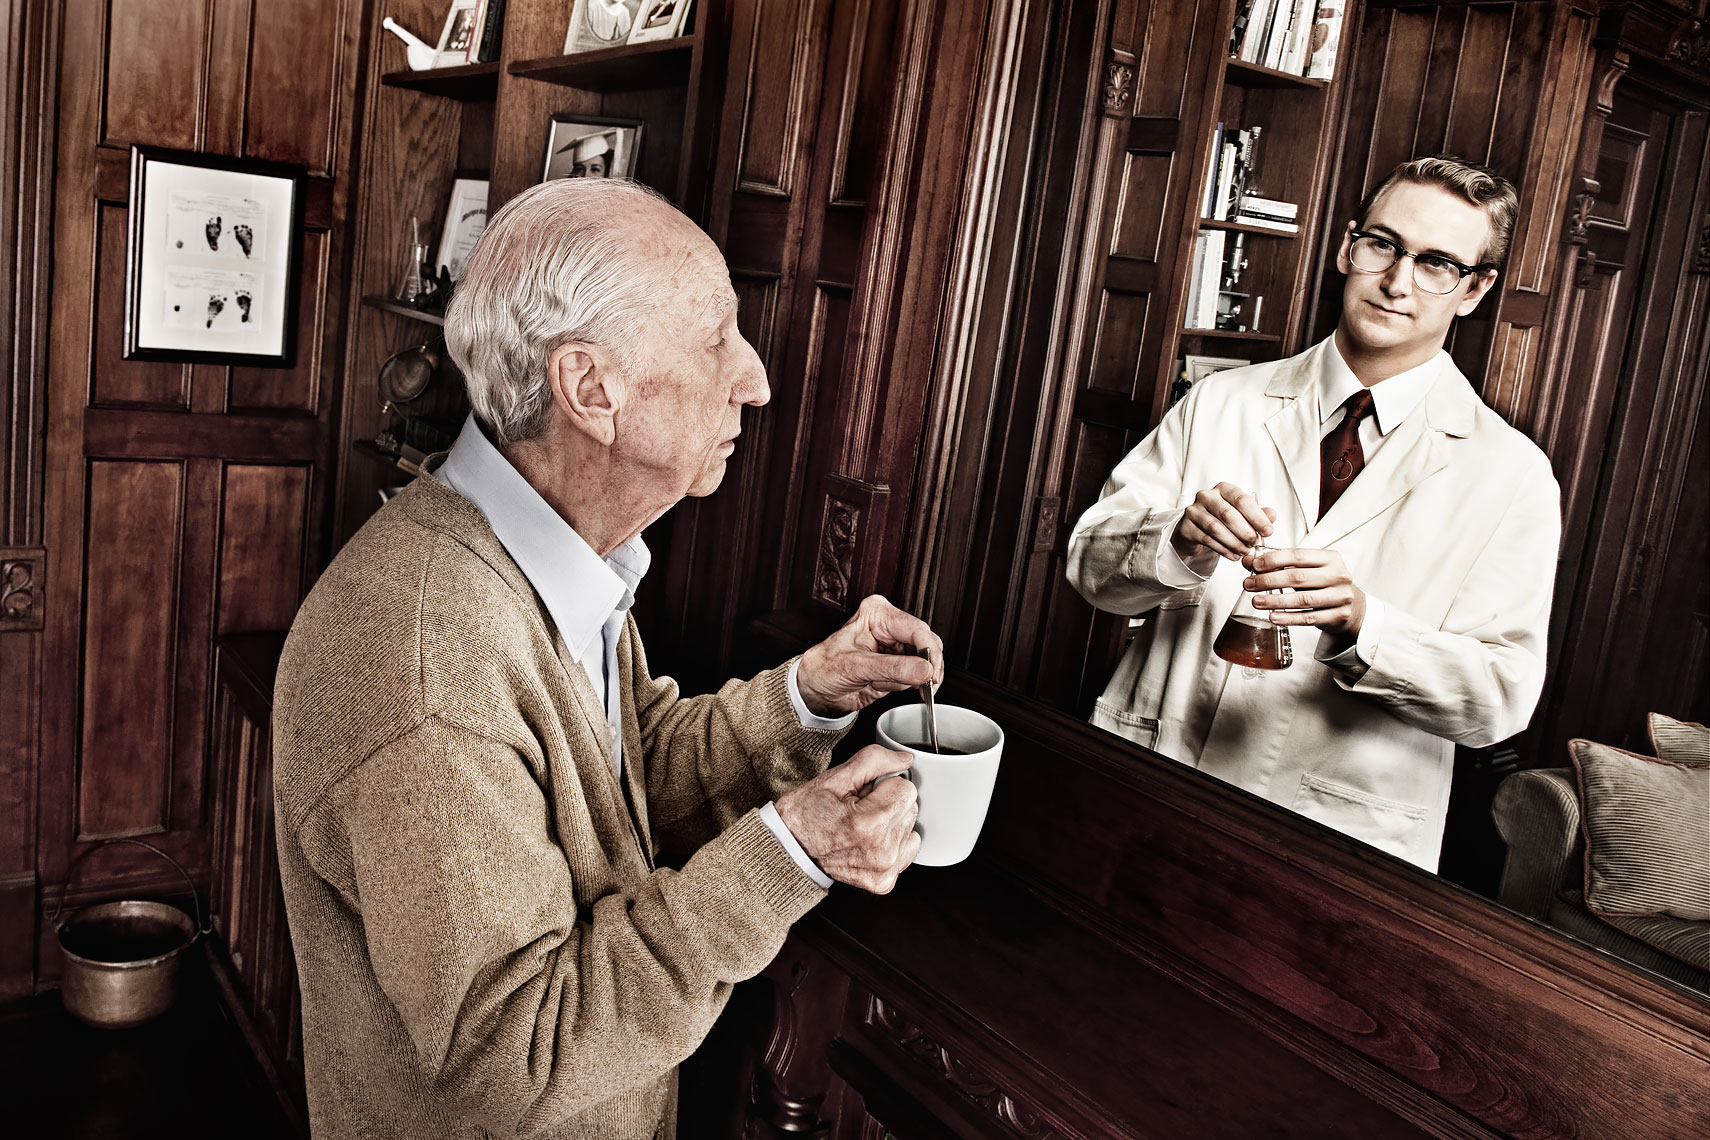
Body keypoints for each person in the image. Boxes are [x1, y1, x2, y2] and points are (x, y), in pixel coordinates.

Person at [272, 178, 942, 1139]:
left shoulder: (551, 560)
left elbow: (611, 785)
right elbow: (517, 1049)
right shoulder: (425, 665)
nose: (754, 377)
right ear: (591, 390)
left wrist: (805, 700)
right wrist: (789, 854)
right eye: (717, 337)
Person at [1066, 155, 1560, 871]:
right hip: (1152, 776)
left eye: (1437, 264)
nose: (1397, 281)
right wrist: (1175, 543)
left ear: (1475, 290)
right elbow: (1089, 567)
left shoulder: (1512, 475)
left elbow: (1497, 703)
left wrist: (1365, 624)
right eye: (1383, 245)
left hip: (1337, 840)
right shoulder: (1222, 401)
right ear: (1346, 246)